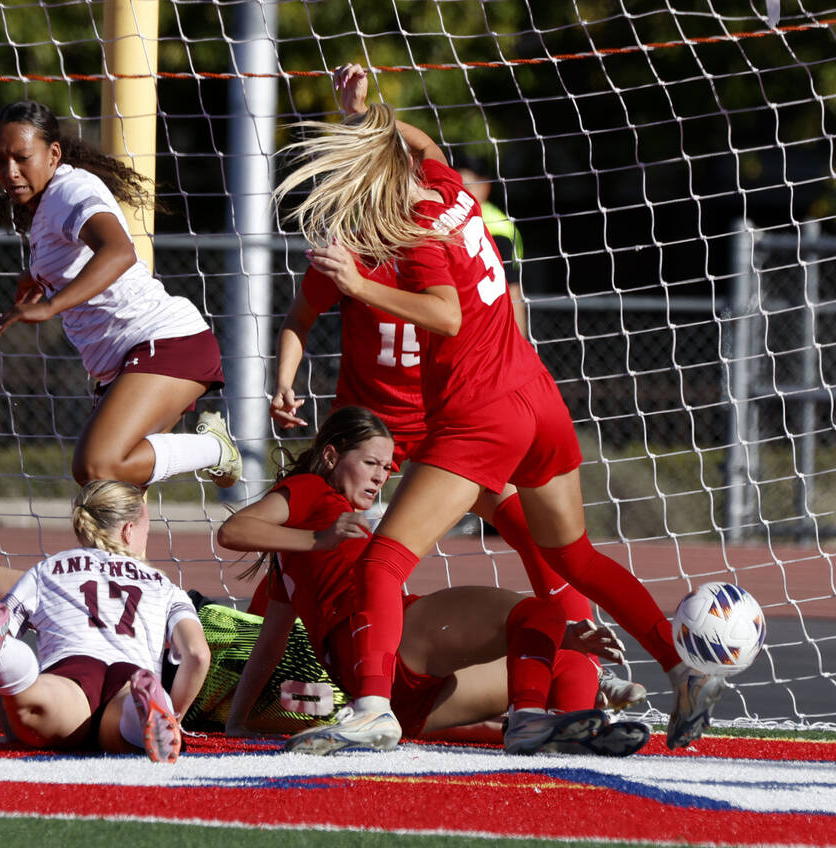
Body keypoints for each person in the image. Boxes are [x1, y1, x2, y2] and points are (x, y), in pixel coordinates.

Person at [269, 63, 724, 754]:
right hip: (536, 397)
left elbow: (444, 314)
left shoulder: (414, 226)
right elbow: (415, 146)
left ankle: (371, 708)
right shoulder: (446, 186)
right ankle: (677, 666)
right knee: (571, 556)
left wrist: (361, 284)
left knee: (381, 565)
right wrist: (363, 114)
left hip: (480, 414)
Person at [216, 406, 648, 755]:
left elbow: (268, 646)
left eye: (386, 467)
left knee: (550, 653)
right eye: (370, 463)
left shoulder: (296, 564)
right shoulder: (313, 491)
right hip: (392, 650)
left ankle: (567, 727)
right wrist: (320, 537)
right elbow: (233, 531)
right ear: (331, 456)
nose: (380, 476)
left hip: (391, 692)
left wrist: (238, 720)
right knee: (541, 613)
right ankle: (539, 719)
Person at [0, 100, 240, 491]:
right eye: (0, 161)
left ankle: (212, 449)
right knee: (105, 493)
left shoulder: (68, 190)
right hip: (126, 360)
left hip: (163, 342)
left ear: (53, 154)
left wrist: (52, 304)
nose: (10, 172)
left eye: (21, 158)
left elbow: (119, 251)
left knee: (98, 465)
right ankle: (123, 556)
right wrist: (37, 281)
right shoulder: (46, 206)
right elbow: (74, 258)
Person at [0, 480, 209, 762]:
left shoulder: (48, 569)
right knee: (127, 732)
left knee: (28, 699)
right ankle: (149, 708)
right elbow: (197, 654)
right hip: (132, 676)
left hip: (71, 672)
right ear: (128, 530)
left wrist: (10, 726)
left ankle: (7, 657)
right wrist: (177, 715)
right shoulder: (164, 585)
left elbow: (6, 626)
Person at [456, 154, 527, 339]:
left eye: (466, 186)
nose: (460, 193)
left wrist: (520, 342)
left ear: (485, 187)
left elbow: (513, 291)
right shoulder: (452, 221)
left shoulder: (497, 228)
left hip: (489, 329)